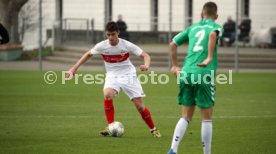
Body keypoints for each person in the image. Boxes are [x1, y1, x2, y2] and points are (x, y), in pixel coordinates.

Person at [66, 21, 161, 138]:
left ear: (118, 33)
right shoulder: (102, 46)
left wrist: (146, 65)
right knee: (107, 94)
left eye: (113, 34)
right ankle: (111, 126)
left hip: (128, 75)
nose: (110, 37)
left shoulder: (126, 45)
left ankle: (153, 129)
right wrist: (74, 69)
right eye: (108, 35)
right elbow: (88, 54)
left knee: (140, 106)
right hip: (112, 75)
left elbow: (146, 55)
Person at [167, 2, 223, 154]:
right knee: (206, 117)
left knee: (186, 116)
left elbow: (172, 44)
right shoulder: (216, 27)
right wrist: (209, 57)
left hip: (186, 73)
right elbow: (212, 35)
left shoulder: (192, 27)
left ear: (201, 14)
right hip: (203, 73)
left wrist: (174, 65)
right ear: (216, 16)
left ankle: (173, 149)